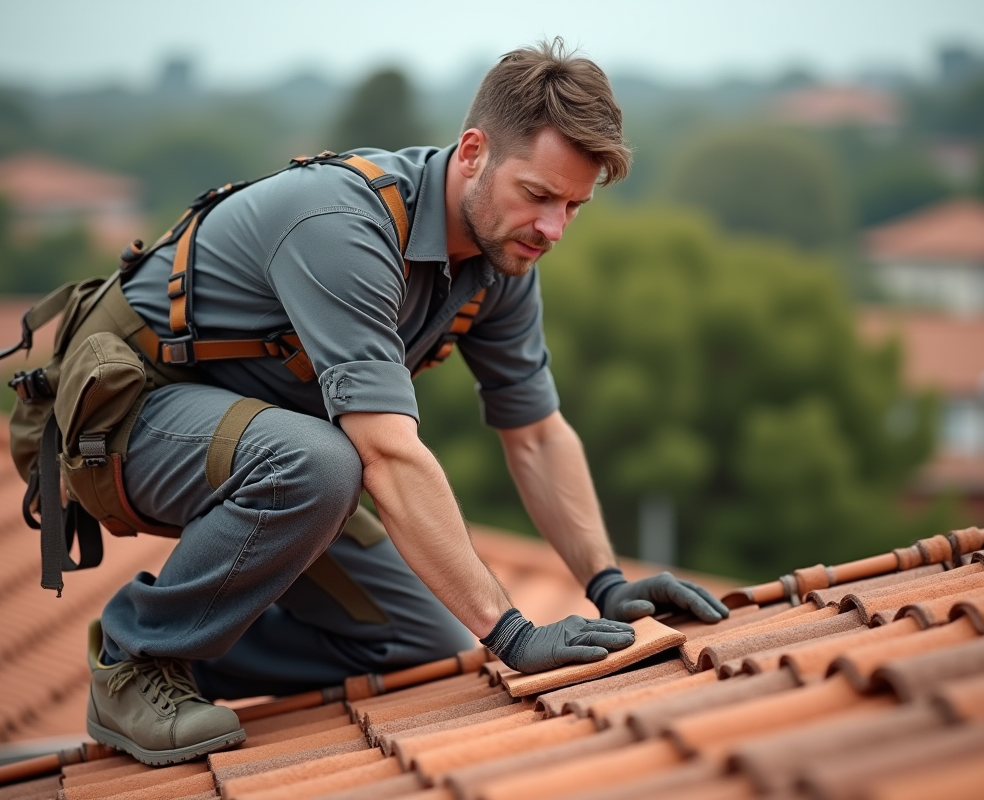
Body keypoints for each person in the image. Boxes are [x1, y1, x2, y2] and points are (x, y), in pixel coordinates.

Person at [86, 38, 729, 766]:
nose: (553, 229)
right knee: (325, 463)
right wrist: (514, 635)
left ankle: (187, 664)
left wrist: (607, 584)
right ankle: (134, 659)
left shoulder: (501, 260)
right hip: (124, 420)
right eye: (539, 195)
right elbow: (386, 455)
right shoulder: (343, 225)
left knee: (422, 644)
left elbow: (537, 434)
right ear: (474, 151)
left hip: (256, 448)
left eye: (574, 206)